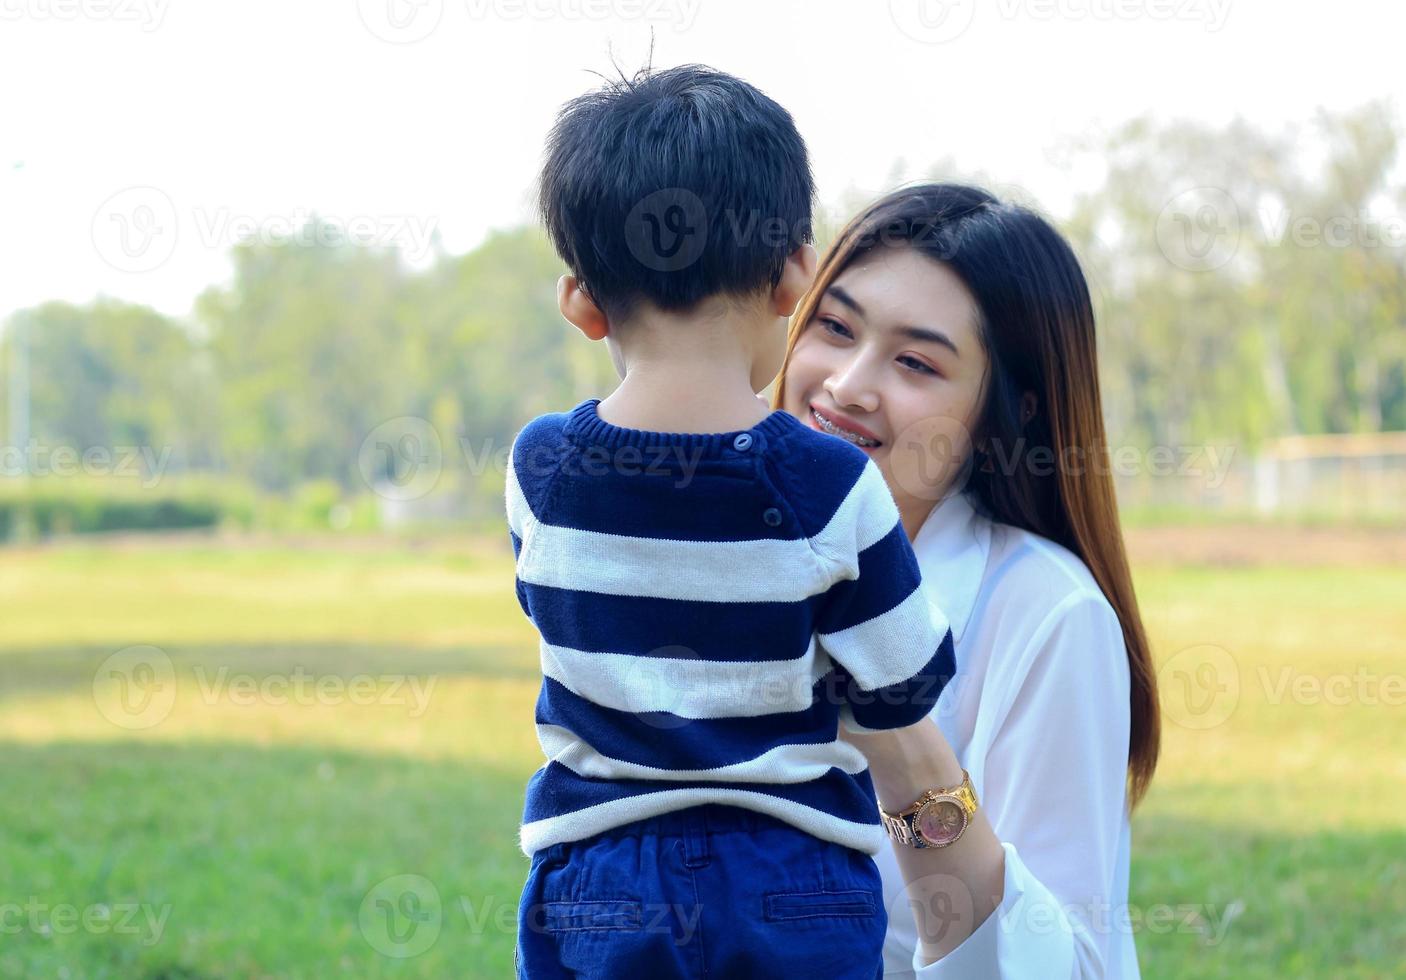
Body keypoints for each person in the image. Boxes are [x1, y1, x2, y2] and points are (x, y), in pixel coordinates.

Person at [508, 65, 957, 978]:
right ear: (797, 271)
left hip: (599, 876)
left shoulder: (540, 469)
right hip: (791, 877)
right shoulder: (826, 480)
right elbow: (907, 684)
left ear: (582, 303)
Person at [773, 183, 1162, 978]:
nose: (847, 385)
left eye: (916, 362)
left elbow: (1069, 967)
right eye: (834, 327)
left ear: (999, 418)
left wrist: (907, 751)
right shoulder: (713, 552)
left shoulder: (1049, 613)